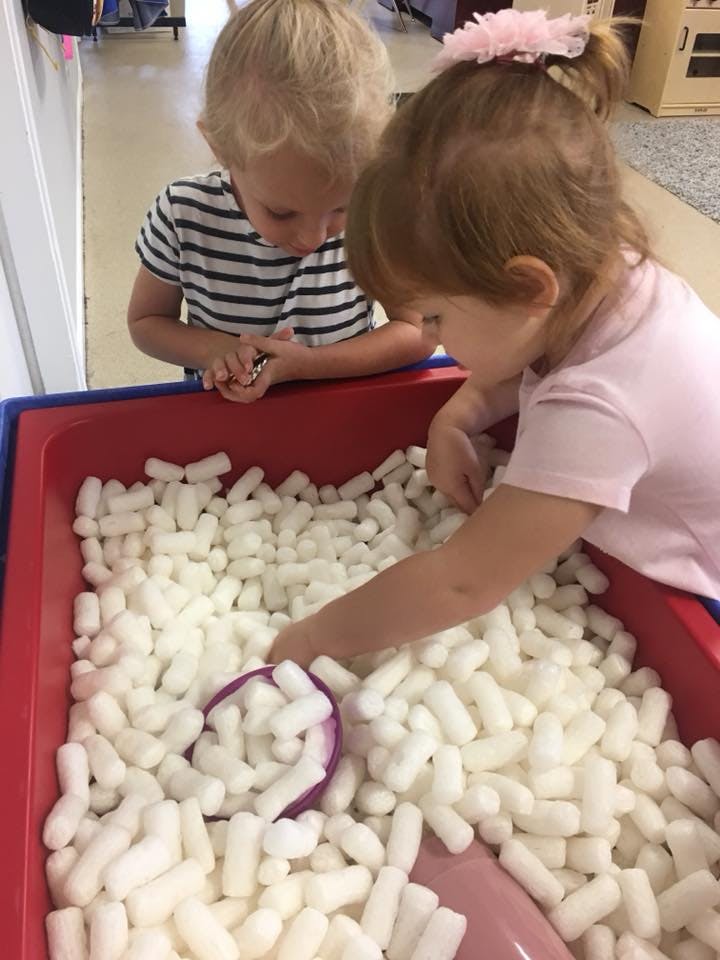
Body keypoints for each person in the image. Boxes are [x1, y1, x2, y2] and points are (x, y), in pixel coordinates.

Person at [271, 11, 720, 666]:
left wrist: (316, 636)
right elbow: (524, 352)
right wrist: (458, 416)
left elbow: (463, 580)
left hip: (700, 585)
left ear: (529, 288)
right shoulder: (593, 268)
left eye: (434, 319)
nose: (426, 336)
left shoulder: (602, 409)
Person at [127, 0, 430, 401]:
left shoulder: (375, 218)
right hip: (222, 422)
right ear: (222, 149)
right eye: (281, 211)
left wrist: (310, 364)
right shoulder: (183, 215)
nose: (313, 237)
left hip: (343, 416)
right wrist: (217, 350)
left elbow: (418, 332)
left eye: (341, 207)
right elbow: (146, 321)